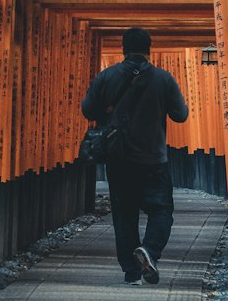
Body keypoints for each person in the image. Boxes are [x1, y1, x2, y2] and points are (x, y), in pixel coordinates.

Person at [81, 27, 189, 285]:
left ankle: (131, 272)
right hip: (153, 157)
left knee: (124, 215)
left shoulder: (106, 76)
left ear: (123, 48)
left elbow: (88, 110)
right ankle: (150, 250)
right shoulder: (163, 79)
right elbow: (180, 115)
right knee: (161, 210)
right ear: (149, 49)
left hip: (118, 158)